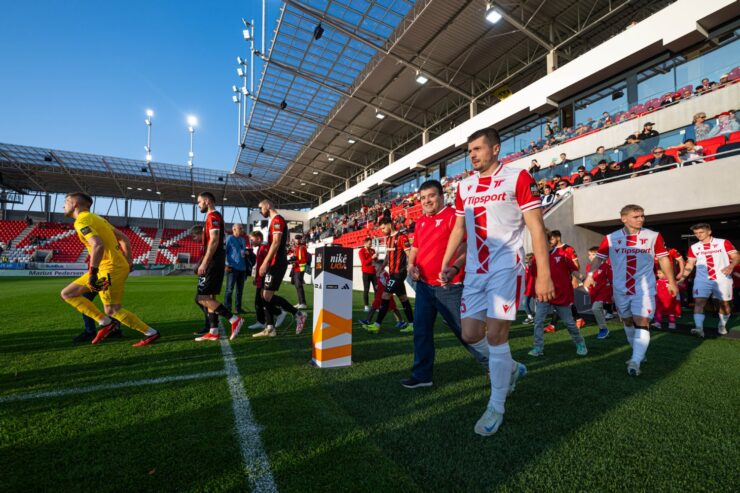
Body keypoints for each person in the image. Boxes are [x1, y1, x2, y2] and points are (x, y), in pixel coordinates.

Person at [441, 126, 554, 436]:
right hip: (475, 271)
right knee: (469, 333)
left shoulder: (517, 177)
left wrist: (542, 275)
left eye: (477, 149)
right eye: (470, 151)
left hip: (506, 268)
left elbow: (536, 229)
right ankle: (512, 368)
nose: (472, 155)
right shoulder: (464, 187)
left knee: (496, 336)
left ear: (495, 149)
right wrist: (449, 263)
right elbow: (459, 231)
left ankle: (496, 406)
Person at [401, 179, 489, 388]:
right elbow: (416, 248)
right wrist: (410, 265)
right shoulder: (421, 221)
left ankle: (493, 366)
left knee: (465, 332)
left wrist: (455, 269)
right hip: (423, 286)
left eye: (431, 196)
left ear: (441, 196)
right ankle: (422, 376)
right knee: (421, 331)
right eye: (423, 198)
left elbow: (468, 247)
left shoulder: (452, 216)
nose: (427, 201)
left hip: (449, 288)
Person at [584, 204, 678, 376]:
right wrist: (590, 275)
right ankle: (639, 353)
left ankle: (635, 361)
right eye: (636, 216)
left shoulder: (653, 236)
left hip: (644, 289)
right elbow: (600, 258)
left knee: (641, 321)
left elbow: (664, 260)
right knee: (627, 321)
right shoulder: (611, 238)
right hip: (620, 289)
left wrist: (672, 281)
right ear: (624, 218)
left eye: (642, 216)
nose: (641, 219)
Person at [59, 192, 160, 346]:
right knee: (68, 293)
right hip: (109, 267)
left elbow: (97, 244)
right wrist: (128, 262)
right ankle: (105, 323)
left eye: (66, 202)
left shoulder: (81, 221)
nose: (63, 205)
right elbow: (124, 239)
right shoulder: (98, 219)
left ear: (75, 204)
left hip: (110, 269)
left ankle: (150, 333)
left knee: (112, 310)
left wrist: (93, 273)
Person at [193, 192, 244, 342]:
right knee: (209, 296)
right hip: (216, 261)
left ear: (207, 201)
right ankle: (213, 331)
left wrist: (204, 262)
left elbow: (214, 240)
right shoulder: (213, 217)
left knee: (201, 297)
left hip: (213, 261)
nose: (198, 205)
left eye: (199, 202)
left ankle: (234, 319)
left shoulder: (213, 216)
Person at [252, 200, 307, 337]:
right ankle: (270, 328)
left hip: (277, 263)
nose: (259, 210)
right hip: (274, 262)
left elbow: (276, 242)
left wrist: (265, 262)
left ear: (268, 206)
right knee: (264, 295)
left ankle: (298, 314)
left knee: (266, 295)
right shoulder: (274, 221)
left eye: (260, 207)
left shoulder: (277, 220)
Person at [677, 223, 739, 337]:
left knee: (724, 304)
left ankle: (722, 325)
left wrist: (731, 266)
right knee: (699, 302)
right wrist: (682, 278)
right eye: (696, 233)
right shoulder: (694, 247)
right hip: (702, 279)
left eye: (701, 232)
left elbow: (736, 256)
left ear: (709, 232)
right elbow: (690, 263)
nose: (698, 235)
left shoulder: (723, 242)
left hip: (722, 278)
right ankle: (699, 329)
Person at [528, 243, 588, 357]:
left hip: (561, 294)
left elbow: (574, 270)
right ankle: (538, 347)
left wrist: (585, 278)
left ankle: (580, 343)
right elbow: (535, 275)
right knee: (538, 321)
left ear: (548, 241)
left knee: (569, 322)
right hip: (544, 294)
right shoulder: (537, 257)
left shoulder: (562, 254)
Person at [361, 217, 414, 333]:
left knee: (385, 295)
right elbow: (388, 256)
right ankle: (412, 324)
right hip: (393, 273)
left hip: (399, 273)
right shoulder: (389, 239)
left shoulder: (401, 237)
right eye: (381, 228)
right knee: (403, 298)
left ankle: (376, 325)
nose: (382, 230)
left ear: (390, 224)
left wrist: (411, 267)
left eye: (383, 228)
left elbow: (409, 253)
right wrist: (382, 266)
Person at [547, 230, 585, 329]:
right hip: (555, 281)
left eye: (551, 239)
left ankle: (553, 325)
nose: (550, 241)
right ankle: (579, 319)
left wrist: (574, 279)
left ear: (558, 238)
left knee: (562, 301)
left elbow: (576, 265)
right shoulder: (551, 250)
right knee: (562, 302)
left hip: (566, 280)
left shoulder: (568, 249)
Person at [248, 230, 283, 331]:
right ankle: (264, 321)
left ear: (259, 238)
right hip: (260, 279)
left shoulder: (264, 248)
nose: (251, 242)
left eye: (252, 239)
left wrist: (262, 277)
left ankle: (277, 313)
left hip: (264, 279)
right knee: (260, 302)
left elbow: (269, 262)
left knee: (261, 301)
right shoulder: (260, 248)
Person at [360, 260, 403, 329]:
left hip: (386, 295)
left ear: (381, 266)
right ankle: (367, 320)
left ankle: (401, 321)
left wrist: (386, 288)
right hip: (379, 295)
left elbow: (388, 283)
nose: (375, 268)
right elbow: (380, 282)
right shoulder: (379, 274)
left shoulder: (385, 274)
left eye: (376, 267)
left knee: (393, 308)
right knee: (373, 307)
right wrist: (377, 286)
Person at [585, 247, 613, 339]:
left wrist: (613, 293)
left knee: (595, 308)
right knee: (598, 310)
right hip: (594, 292)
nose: (591, 257)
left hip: (603, 292)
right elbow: (589, 280)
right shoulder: (588, 267)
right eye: (589, 255)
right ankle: (604, 328)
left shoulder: (605, 266)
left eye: (594, 254)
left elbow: (612, 280)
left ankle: (603, 329)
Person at [224, 223, 249, 314]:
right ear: (234, 229)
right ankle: (227, 308)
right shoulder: (229, 238)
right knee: (229, 289)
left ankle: (238, 308)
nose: (242, 230)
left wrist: (246, 253)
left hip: (242, 268)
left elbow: (242, 251)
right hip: (232, 268)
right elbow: (224, 252)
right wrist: (226, 264)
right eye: (240, 228)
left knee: (240, 290)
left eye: (242, 228)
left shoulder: (243, 239)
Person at [358, 236, 377, 312]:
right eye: (369, 244)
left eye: (371, 243)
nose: (370, 245)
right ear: (365, 243)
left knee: (377, 290)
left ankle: (376, 306)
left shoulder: (373, 250)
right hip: (366, 273)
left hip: (374, 273)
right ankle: (366, 306)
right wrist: (372, 258)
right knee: (366, 290)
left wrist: (376, 258)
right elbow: (364, 263)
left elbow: (375, 261)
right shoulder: (361, 251)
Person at [290, 235, 309, 309]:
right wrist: (292, 261)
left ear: (301, 240)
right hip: (296, 268)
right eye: (296, 239)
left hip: (300, 269)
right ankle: (300, 302)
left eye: (299, 239)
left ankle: (303, 303)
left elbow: (304, 260)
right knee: (297, 286)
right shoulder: (296, 248)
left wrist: (295, 262)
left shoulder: (302, 247)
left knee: (299, 286)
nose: (297, 240)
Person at [522, 253, 536, 325]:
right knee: (524, 303)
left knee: (539, 305)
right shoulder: (526, 267)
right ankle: (530, 317)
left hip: (536, 288)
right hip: (528, 289)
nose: (528, 260)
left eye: (530, 258)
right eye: (526, 259)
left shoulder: (536, 266)